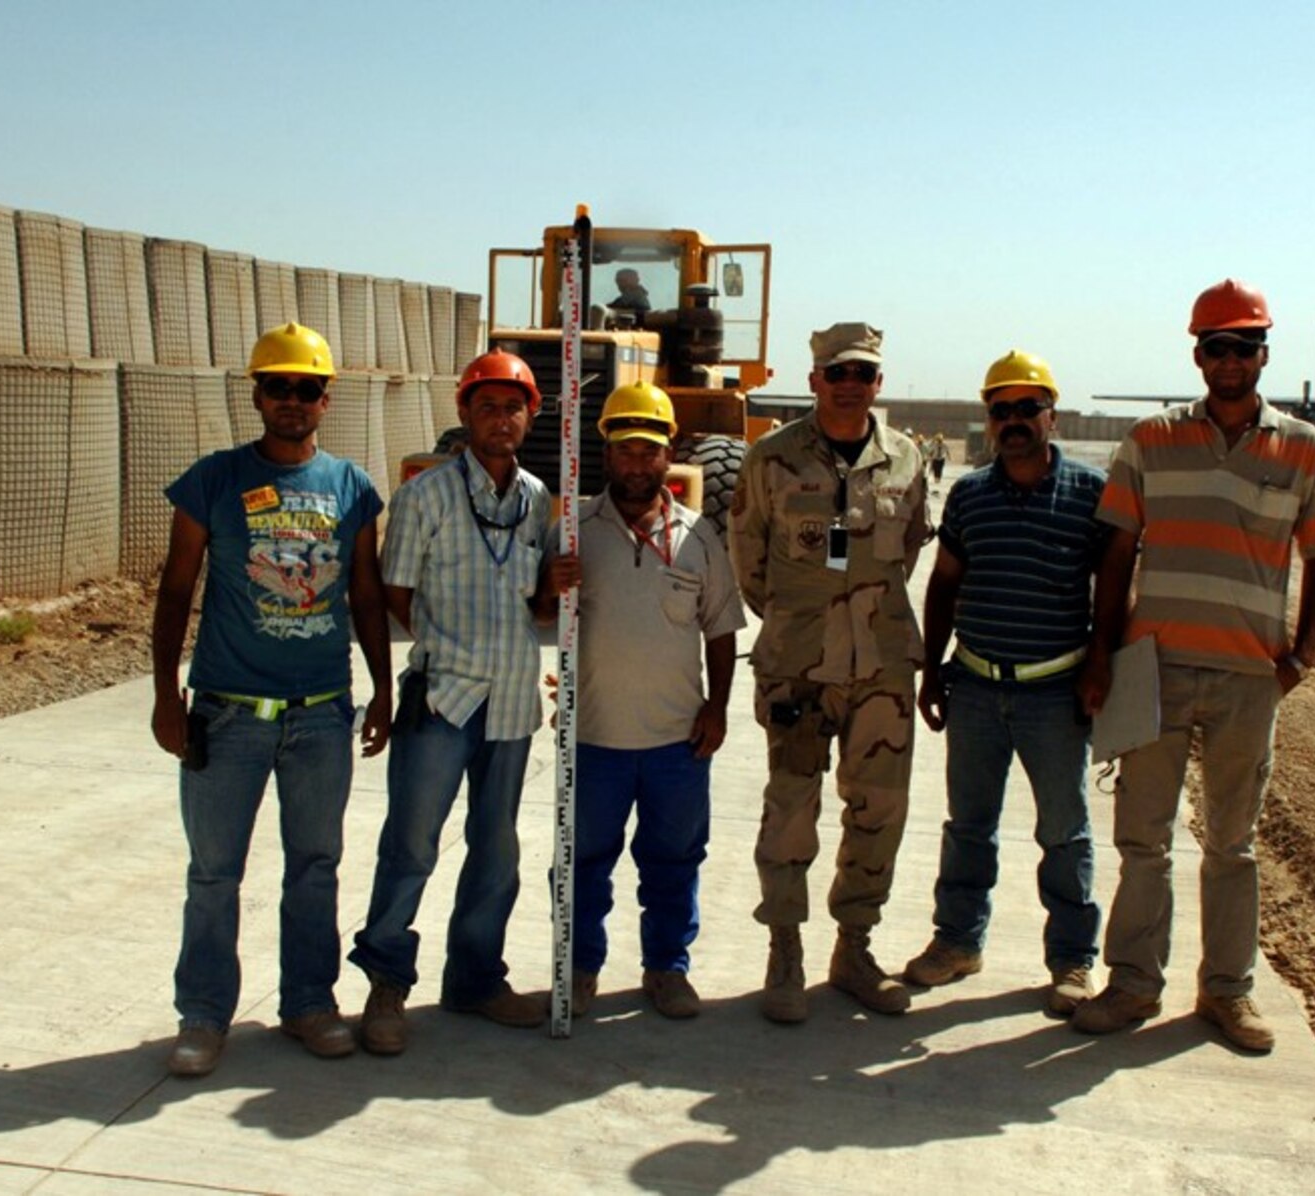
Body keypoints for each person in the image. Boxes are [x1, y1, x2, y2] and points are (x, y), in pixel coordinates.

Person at [1072, 280, 1315, 1053]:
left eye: (1245, 347)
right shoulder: (1151, 440)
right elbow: (1116, 552)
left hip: (1249, 678)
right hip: (1153, 667)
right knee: (1142, 841)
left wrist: (1300, 657)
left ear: (1263, 355)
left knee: (1233, 844)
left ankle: (1227, 994)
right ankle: (1132, 984)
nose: (1231, 360)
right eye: (1217, 347)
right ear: (1198, 355)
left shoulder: (1302, 447)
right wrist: (1106, 654)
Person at [150, 321, 391, 1078]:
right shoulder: (212, 482)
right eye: (278, 386)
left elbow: (364, 593)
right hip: (229, 713)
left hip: (321, 714)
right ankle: (203, 1016)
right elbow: (176, 589)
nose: (292, 400)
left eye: (307, 389)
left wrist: (382, 688)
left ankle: (309, 1004)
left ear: (327, 400)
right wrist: (166, 694)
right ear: (255, 392)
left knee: (315, 866)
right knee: (214, 874)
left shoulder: (352, 489)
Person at [346, 349, 571, 1054]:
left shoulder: (537, 499)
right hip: (443, 699)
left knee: (495, 851)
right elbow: (396, 594)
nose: (501, 419)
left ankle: (475, 979)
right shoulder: (426, 496)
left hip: (510, 703)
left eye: (513, 407)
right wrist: (444, 647)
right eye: (487, 407)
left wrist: (552, 585)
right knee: (412, 846)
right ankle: (387, 981)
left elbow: (535, 603)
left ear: (530, 417)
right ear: (465, 414)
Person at [730, 321, 931, 1023]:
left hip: (882, 667)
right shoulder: (771, 459)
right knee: (791, 808)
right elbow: (747, 555)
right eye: (837, 372)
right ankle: (785, 949)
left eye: (864, 373)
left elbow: (907, 547)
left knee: (878, 810)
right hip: (798, 668)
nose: (850, 384)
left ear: (879, 382)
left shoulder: (907, 458)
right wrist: (796, 617)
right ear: (814, 379)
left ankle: (854, 947)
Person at [903, 349, 1103, 1017]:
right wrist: (933, 669)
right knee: (969, 827)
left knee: (1064, 832)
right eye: (1000, 411)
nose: (1013, 421)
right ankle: (957, 941)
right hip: (978, 690)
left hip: (1055, 693)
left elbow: (1115, 592)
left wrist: (1102, 671)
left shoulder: (1089, 495)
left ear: (1052, 414)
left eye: (1027, 408)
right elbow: (945, 586)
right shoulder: (970, 494)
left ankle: (1073, 961)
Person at [562, 381, 747, 1020]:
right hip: (594, 739)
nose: (638, 463)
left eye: (650, 450)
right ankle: (580, 968)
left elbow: (721, 630)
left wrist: (716, 709)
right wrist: (546, 585)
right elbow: (536, 614)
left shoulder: (699, 538)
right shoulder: (574, 531)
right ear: (605, 451)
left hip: (676, 742)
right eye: (625, 449)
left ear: (670, 453)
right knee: (584, 862)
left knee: (673, 861)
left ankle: (667, 968)